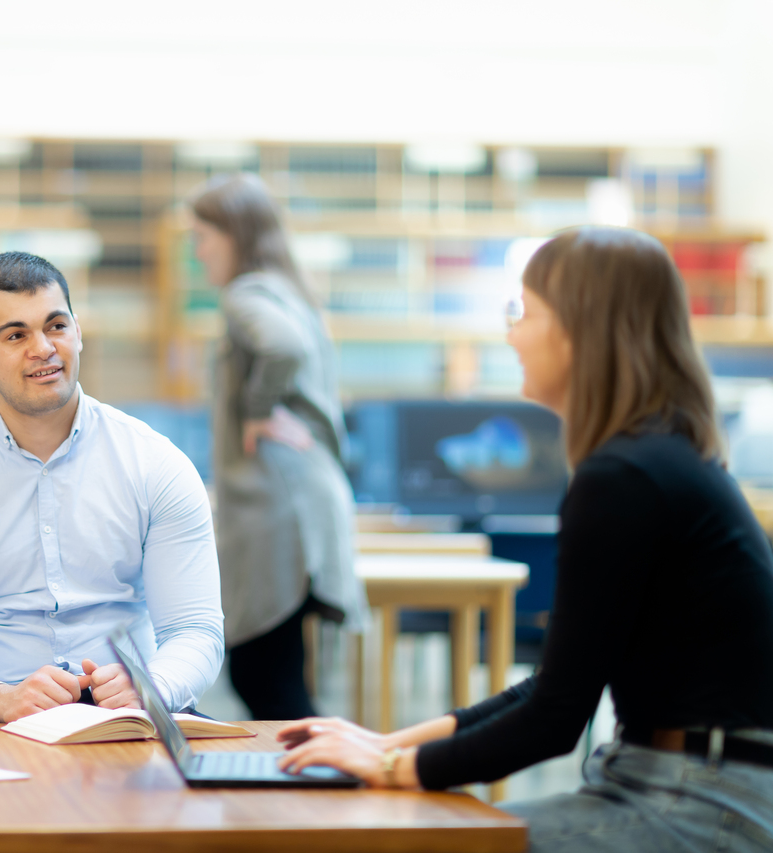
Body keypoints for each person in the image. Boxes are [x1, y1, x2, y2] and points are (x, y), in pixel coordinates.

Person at [276, 226, 773, 852]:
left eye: (524, 313)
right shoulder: (652, 459)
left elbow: (554, 722)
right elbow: (551, 688)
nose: (510, 334)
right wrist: (389, 745)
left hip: (698, 802)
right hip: (684, 782)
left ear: (579, 329)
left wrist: (395, 769)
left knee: (409, 839)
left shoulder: (624, 475)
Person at [0, 251, 225, 723]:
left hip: (132, 721)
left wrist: (151, 686)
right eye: (16, 335)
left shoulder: (156, 465)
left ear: (78, 333)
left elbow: (196, 632)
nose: (43, 348)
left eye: (56, 326)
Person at [190, 173, 369, 720]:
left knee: (260, 672)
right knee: (276, 671)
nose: (198, 253)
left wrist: (258, 410)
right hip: (303, 498)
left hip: (279, 505)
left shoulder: (247, 294)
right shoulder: (288, 291)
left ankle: (318, 786)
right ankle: (314, 782)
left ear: (234, 235)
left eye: (203, 237)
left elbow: (282, 348)